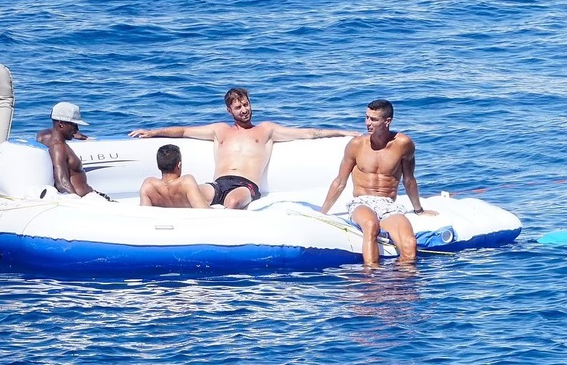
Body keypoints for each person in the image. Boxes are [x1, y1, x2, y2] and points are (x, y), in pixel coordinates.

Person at [129, 88, 359, 209]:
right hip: (219, 183)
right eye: (238, 107)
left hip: (246, 186)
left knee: (232, 202)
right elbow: (183, 131)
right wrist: (153, 132)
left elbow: (308, 133)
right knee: (193, 193)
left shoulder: (266, 130)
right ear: (229, 111)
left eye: (246, 104)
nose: (244, 110)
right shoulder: (219, 130)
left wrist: (342, 133)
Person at [320, 99, 437, 265]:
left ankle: (404, 279)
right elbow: (340, 181)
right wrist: (322, 213)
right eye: (366, 117)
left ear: (387, 121)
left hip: (388, 204)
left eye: (373, 119)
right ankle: (371, 276)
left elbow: (409, 180)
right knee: (370, 225)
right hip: (362, 202)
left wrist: (418, 210)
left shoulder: (404, 144)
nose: (367, 123)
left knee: (409, 244)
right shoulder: (356, 145)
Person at [39, 102, 109, 200]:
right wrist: (78, 202)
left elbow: (51, 131)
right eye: (74, 125)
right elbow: (62, 183)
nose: (77, 129)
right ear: (61, 124)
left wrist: (73, 134)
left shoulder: (43, 136)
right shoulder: (59, 147)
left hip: (87, 196)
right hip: (84, 199)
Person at [139, 144, 211, 209]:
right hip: (215, 190)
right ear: (179, 165)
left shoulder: (148, 185)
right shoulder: (186, 182)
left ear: (158, 165)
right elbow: (203, 211)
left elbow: (146, 212)